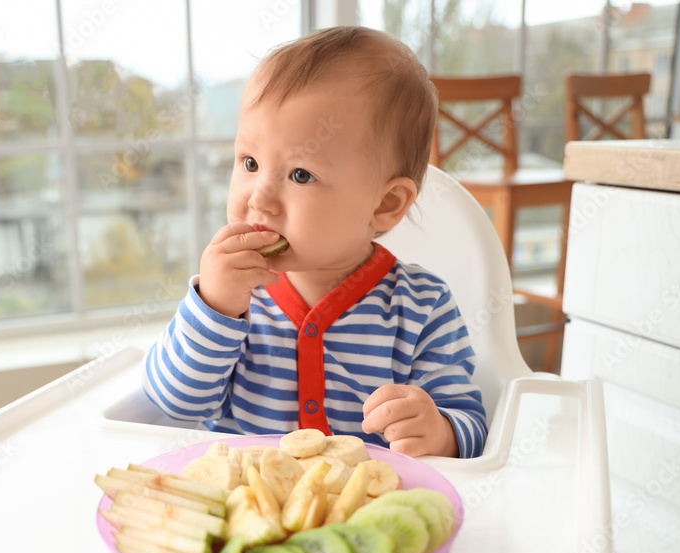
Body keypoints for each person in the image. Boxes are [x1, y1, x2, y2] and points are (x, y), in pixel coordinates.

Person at [142, 26, 486, 458]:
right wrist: (213, 308)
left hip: (365, 498)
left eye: (300, 175)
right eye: (249, 162)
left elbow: (473, 426)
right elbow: (173, 404)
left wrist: (441, 433)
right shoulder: (228, 298)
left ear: (385, 204)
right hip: (245, 496)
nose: (259, 199)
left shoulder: (422, 306)